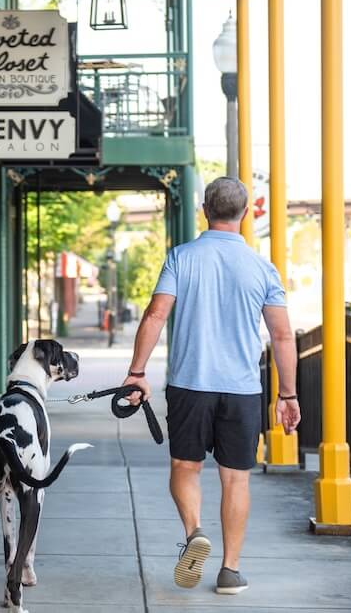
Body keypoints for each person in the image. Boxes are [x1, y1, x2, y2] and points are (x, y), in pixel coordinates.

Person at [120, 176, 301, 596]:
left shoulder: (182, 258)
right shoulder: (262, 268)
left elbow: (154, 315)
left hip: (189, 384)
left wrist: (136, 371)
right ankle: (230, 570)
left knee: (185, 468)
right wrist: (287, 394)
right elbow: (283, 336)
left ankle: (194, 531)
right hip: (241, 389)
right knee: (235, 479)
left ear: (204, 208)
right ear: (244, 214)